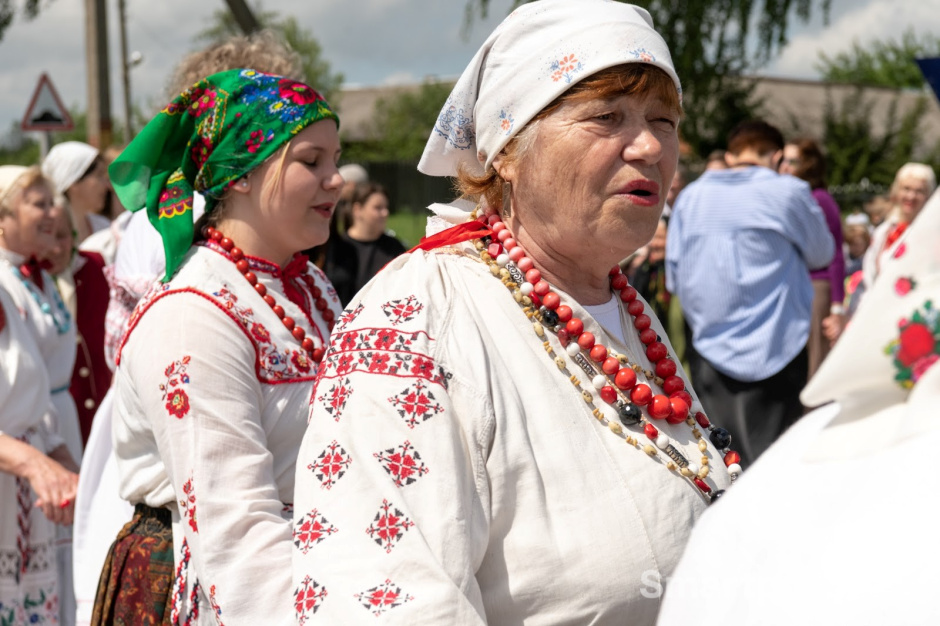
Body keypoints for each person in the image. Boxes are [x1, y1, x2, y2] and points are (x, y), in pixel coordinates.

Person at [292, 3, 737, 623]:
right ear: (507, 150)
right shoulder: (420, 316)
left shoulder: (620, 303)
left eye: (664, 120)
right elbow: (381, 595)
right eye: (607, 117)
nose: (649, 145)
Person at [73, 31, 311, 626]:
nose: (333, 178)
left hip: (255, 511)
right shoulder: (176, 250)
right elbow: (154, 350)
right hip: (186, 482)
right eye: (307, 156)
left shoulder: (294, 270)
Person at [657, 188, 940, 626]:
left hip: (739, 353)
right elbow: (825, 254)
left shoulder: (702, 196)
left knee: (736, 465)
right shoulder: (796, 199)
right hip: (774, 351)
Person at [666, 120, 834, 467]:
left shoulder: (691, 197)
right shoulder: (788, 192)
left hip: (709, 346)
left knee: (720, 460)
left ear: (730, 156)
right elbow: (822, 253)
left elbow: (674, 276)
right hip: (779, 345)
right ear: (775, 156)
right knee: (775, 463)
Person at [0, 165, 81, 625]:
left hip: (29, 458)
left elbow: (29, 381)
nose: (53, 213)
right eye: (37, 203)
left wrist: (54, 449)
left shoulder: (23, 284)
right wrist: (34, 460)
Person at [779, 138, 846, 379]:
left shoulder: (819, 199)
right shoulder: (786, 197)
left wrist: (837, 305)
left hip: (817, 286)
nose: (785, 166)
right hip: (792, 285)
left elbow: (836, 253)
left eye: (793, 161)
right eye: (782, 159)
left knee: (814, 360)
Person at [326, 182, 406, 303]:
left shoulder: (394, 248)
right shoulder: (335, 247)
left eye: (386, 208)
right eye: (378, 208)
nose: (385, 213)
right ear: (357, 210)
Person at [861, 162, 935, 292]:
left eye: (919, 191)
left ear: (928, 196)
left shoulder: (932, 234)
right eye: (906, 189)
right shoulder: (883, 231)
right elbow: (870, 270)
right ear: (897, 191)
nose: (911, 196)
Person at [41, 142, 114, 256]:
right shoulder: (47, 234)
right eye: (99, 175)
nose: (107, 185)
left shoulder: (105, 227)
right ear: (73, 181)